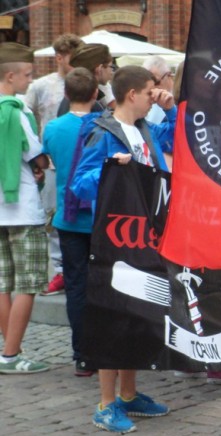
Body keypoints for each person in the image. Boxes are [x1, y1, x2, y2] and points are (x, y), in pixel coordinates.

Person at [71, 65, 175, 432]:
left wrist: (171, 108)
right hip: (115, 239)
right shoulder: (102, 132)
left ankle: (129, 395)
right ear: (132, 94)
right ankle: (106, 403)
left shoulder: (146, 128)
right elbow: (80, 185)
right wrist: (109, 167)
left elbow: (180, 140)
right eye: (149, 92)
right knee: (112, 319)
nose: (153, 98)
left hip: (145, 236)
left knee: (137, 315)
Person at [41, 68, 99, 377]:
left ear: (66, 94)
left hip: (69, 217)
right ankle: (106, 349)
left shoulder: (53, 127)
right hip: (100, 218)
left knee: (76, 287)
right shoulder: (105, 126)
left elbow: (49, 157)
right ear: (95, 94)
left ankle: (83, 355)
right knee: (103, 286)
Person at [0, 42, 50, 374]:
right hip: (22, 207)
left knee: (2, 283)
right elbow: (38, 156)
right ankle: (10, 356)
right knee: (29, 284)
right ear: (10, 76)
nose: (30, 81)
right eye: (28, 75)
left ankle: (10, 348)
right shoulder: (17, 112)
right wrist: (39, 166)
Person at [24, 33, 82, 297]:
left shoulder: (85, 83)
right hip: (51, 162)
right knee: (53, 216)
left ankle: (81, 268)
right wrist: (35, 154)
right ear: (59, 58)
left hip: (80, 160)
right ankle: (60, 269)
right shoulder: (41, 85)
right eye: (72, 58)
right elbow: (27, 115)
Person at [57, 43, 115, 116]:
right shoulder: (89, 102)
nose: (111, 72)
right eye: (110, 67)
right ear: (99, 69)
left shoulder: (74, 97)